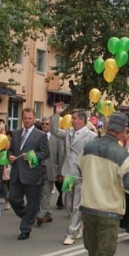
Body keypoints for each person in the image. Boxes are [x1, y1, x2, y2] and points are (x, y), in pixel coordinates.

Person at [78, 112, 129, 256]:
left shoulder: (89, 147)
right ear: (122, 131)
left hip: (88, 207)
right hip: (108, 211)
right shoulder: (123, 155)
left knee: (94, 253)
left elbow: (80, 168)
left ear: (108, 127)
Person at [50, 105, 96, 245]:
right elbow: (54, 131)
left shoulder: (91, 136)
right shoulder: (68, 132)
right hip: (68, 175)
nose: (71, 120)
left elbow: (93, 156)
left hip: (81, 175)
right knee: (66, 201)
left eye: (74, 118)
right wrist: (57, 114)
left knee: (77, 205)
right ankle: (78, 223)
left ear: (82, 120)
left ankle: (71, 233)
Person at [7, 108, 50, 240]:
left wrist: (32, 157)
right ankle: (29, 215)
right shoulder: (16, 134)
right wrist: (10, 157)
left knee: (32, 203)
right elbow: (10, 150)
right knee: (13, 199)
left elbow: (45, 153)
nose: (27, 120)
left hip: (32, 174)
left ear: (34, 119)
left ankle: (25, 229)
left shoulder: (40, 135)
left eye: (30, 118)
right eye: (25, 118)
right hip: (16, 173)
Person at [37, 115, 62, 225]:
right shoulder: (37, 136)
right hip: (37, 169)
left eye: (47, 124)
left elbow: (60, 155)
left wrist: (60, 172)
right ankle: (46, 212)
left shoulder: (57, 138)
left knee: (46, 193)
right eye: (43, 124)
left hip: (50, 169)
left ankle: (41, 215)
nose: (44, 125)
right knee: (38, 192)